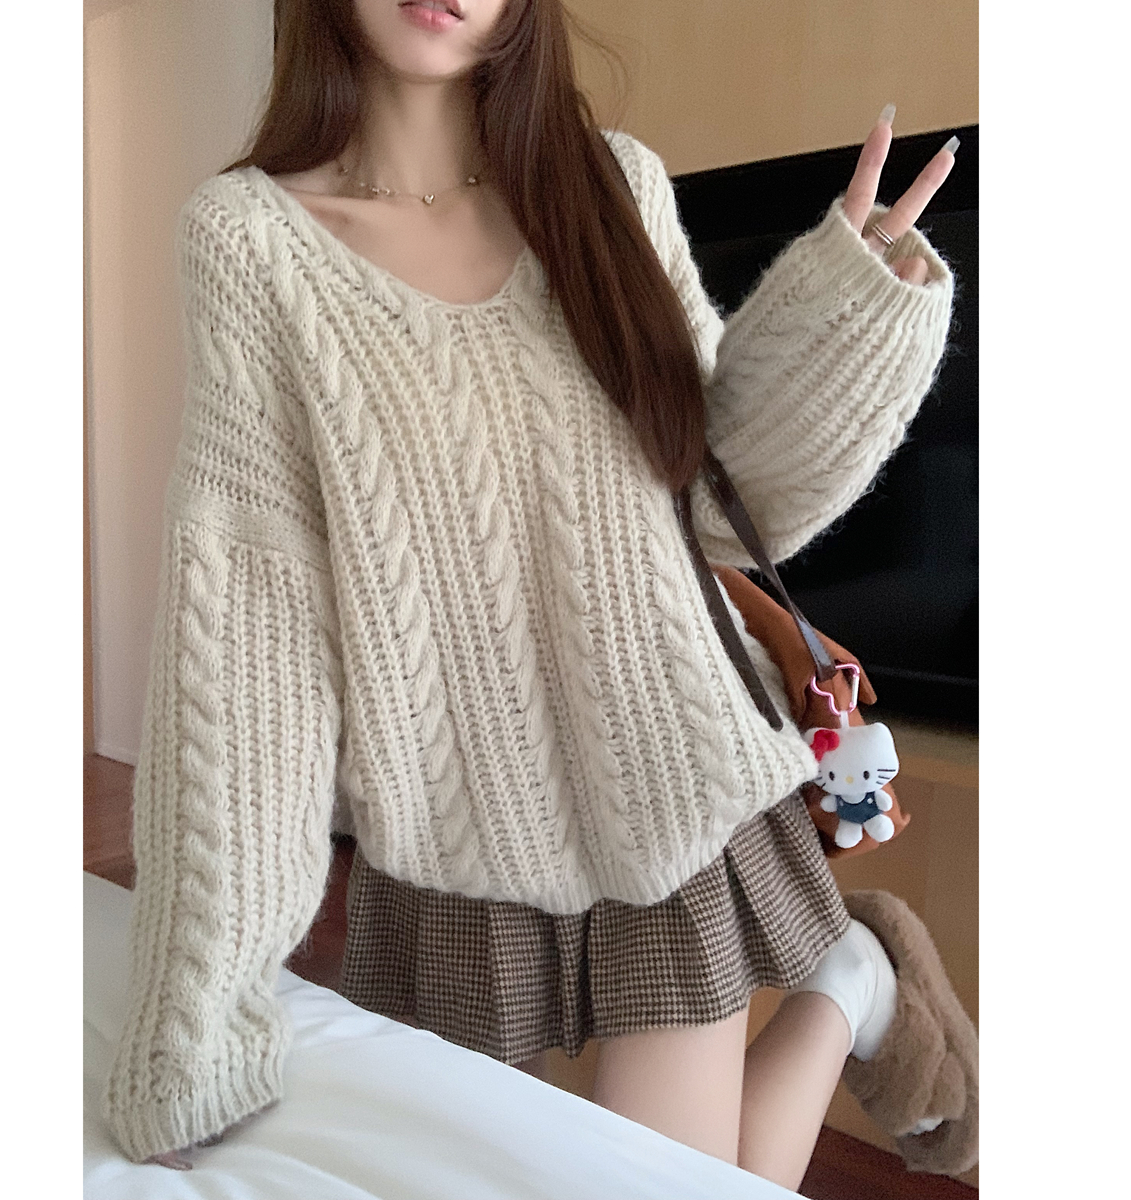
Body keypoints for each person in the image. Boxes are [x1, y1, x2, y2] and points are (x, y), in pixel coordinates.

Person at [102, 0, 976, 1187]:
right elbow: (252, 632)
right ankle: (853, 974)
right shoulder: (251, 242)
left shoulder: (612, 186)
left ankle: (849, 984)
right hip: (455, 839)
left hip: (671, 788)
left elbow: (717, 502)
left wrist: (850, 319)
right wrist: (198, 1007)